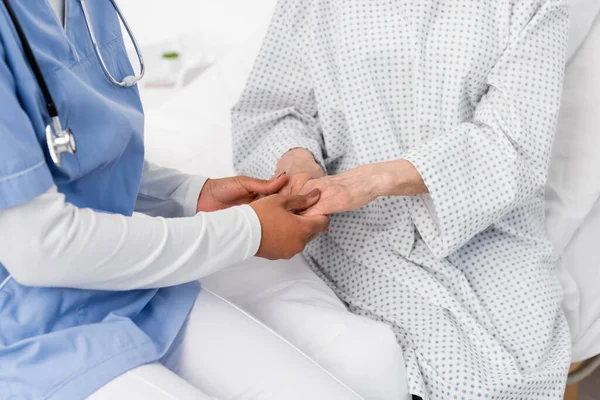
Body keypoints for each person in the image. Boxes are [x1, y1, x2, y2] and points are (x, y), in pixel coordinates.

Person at [0, 1, 365, 399]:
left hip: (131, 289)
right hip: (26, 332)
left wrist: (188, 193)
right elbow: (39, 247)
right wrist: (249, 231)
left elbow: (75, 159)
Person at [232, 0, 572, 398]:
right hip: (343, 226)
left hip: (481, 222)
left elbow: (513, 143)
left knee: (505, 375)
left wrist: (374, 181)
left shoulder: (532, 7)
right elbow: (274, 109)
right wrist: (299, 162)